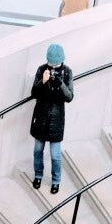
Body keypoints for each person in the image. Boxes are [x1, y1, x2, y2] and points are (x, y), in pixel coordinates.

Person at [30, 43, 74, 195]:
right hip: (41, 117)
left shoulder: (67, 72)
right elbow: (34, 93)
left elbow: (69, 97)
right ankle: (38, 175)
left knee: (55, 155)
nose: (53, 66)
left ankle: (56, 181)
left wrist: (59, 83)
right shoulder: (42, 69)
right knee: (37, 150)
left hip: (56, 121)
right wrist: (43, 81)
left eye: (56, 63)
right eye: (51, 63)